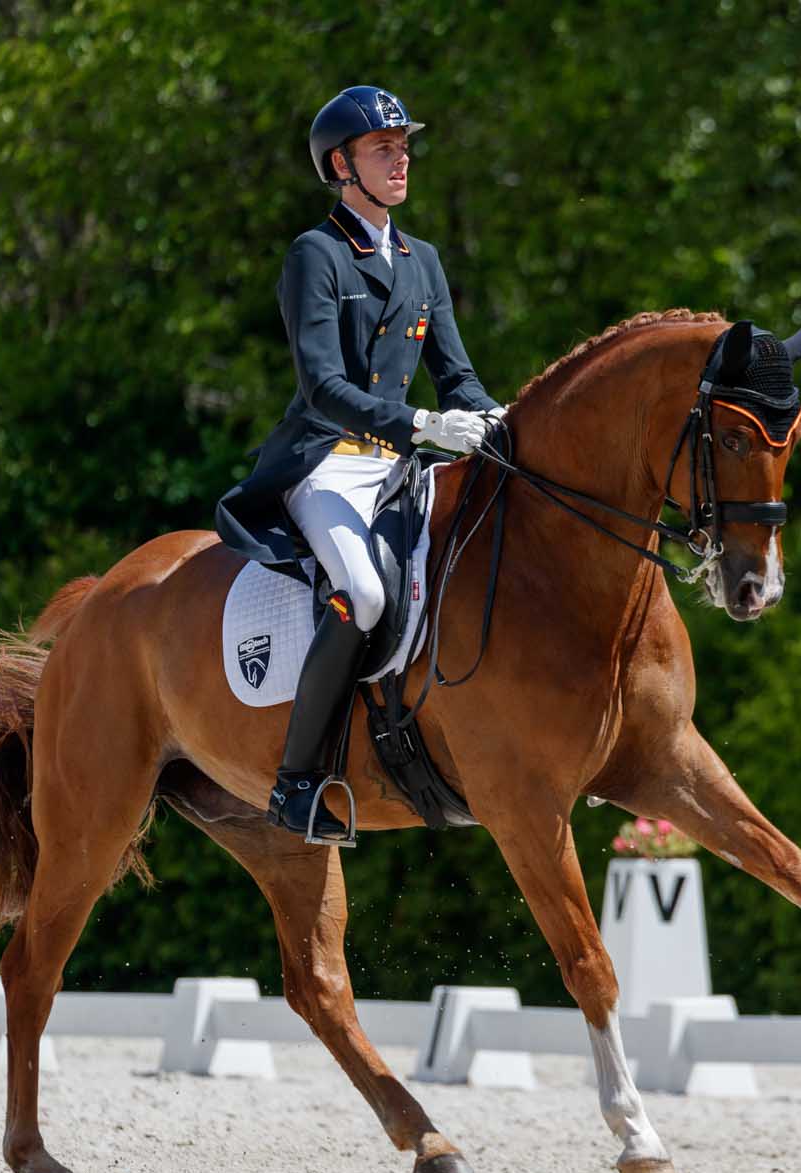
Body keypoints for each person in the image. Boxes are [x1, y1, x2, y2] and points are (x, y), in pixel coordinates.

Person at [214, 85, 503, 843]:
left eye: (404, 146)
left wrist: (500, 418)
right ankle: (298, 780)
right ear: (342, 164)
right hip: (328, 462)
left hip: (405, 464)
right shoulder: (316, 254)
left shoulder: (423, 261)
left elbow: (458, 376)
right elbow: (324, 386)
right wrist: (421, 424)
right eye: (384, 149)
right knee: (366, 594)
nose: (401, 159)